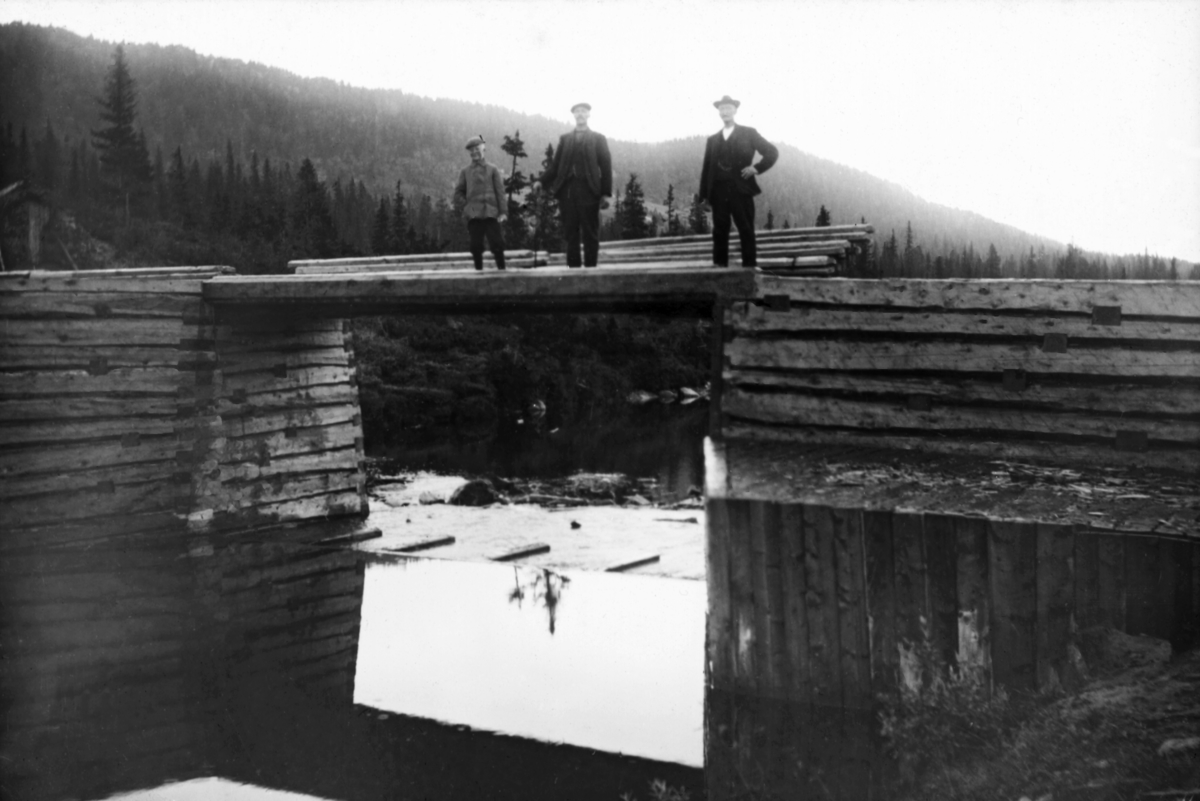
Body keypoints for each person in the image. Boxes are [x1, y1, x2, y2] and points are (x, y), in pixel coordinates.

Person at [698, 95, 778, 268]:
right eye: (722, 109)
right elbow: (707, 169)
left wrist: (756, 168)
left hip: (740, 189)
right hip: (718, 191)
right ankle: (719, 271)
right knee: (719, 232)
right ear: (718, 112)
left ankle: (749, 271)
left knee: (746, 229)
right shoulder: (712, 140)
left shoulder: (749, 133)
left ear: (735, 110)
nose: (725, 111)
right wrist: (704, 197)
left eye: (728, 108)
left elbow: (772, 152)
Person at [531, 103, 613, 268]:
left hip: (589, 192)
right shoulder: (565, 139)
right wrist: (541, 180)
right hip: (567, 193)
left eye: (583, 111)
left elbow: (606, 167)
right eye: (577, 112)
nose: (580, 114)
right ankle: (573, 274)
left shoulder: (598, 138)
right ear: (574, 115)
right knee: (570, 234)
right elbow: (555, 166)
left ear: (589, 114)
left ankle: (590, 272)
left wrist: (605, 194)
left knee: (590, 233)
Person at [453, 135, 507, 271]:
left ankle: (502, 272)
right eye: (471, 150)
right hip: (473, 215)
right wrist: (467, 208)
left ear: (484, 149)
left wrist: (503, 212)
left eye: (477, 149)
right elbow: (458, 193)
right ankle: (479, 276)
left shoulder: (493, 169)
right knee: (476, 247)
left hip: (491, 214)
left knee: (497, 244)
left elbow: (500, 193)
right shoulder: (465, 172)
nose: (474, 152)